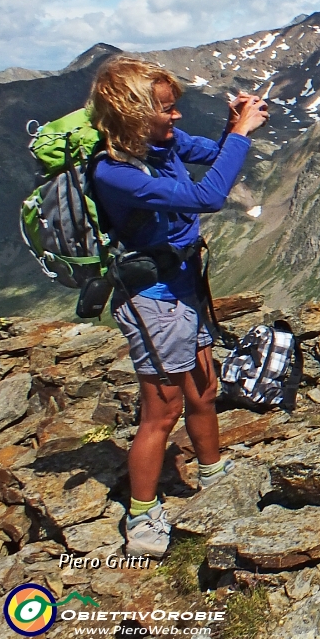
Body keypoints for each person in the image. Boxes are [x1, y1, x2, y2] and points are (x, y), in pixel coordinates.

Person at [88, 56, 268, 557]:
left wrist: (236, 126)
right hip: (154, 299)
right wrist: (240, 136)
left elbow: (216, 152)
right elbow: (208, 196)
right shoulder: (116, 173)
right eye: (167, 110)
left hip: (186, 282)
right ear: (133, 113)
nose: (177, 118)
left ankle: (213, 472)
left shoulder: (160, 142)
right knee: (161, 411)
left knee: (203, 387)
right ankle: (143, 515)